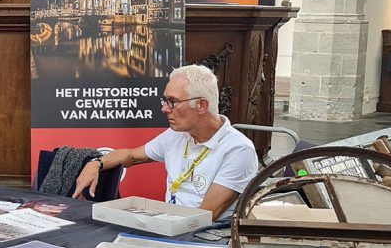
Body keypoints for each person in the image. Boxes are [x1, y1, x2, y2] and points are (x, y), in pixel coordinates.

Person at [73, 64, 259, 221]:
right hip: (171, 226)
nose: (164, 108)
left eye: (172, 101)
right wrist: (96, 163)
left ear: (201, 105)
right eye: (165, 100)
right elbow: (131, 156)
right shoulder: (176, 134)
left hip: (206, 239)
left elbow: (205, 216)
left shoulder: (238, 149)